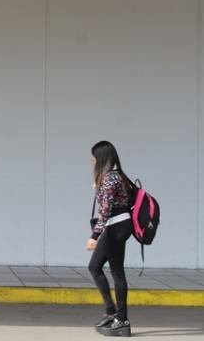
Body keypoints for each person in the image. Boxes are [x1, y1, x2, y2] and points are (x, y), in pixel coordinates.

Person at [87, 141, 134, 337]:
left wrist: (94, 236)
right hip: (118, 226)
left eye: (94, 156)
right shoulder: (116, 175)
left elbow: (105, 210)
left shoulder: (110, 179)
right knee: (95, 267)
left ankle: (121, 320)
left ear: (101, 157)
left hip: (115, 227)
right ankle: (112, 312)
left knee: (115, 271)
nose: (92, 160)